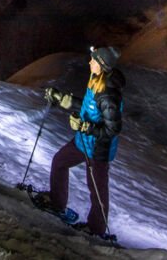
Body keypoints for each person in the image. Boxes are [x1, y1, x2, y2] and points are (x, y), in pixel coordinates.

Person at [38, 46, 125, 238]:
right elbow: (87, 108)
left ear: (101, 65)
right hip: (82, 140)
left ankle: (96, 229)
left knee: (97, 188)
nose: (89, 62)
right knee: (60, 161)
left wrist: (86, 127)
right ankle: (57, 201)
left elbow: (113, 129)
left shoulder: (109, 95)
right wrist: (62, 99)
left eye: (93, 60)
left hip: (98, 148)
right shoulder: (96, 81)